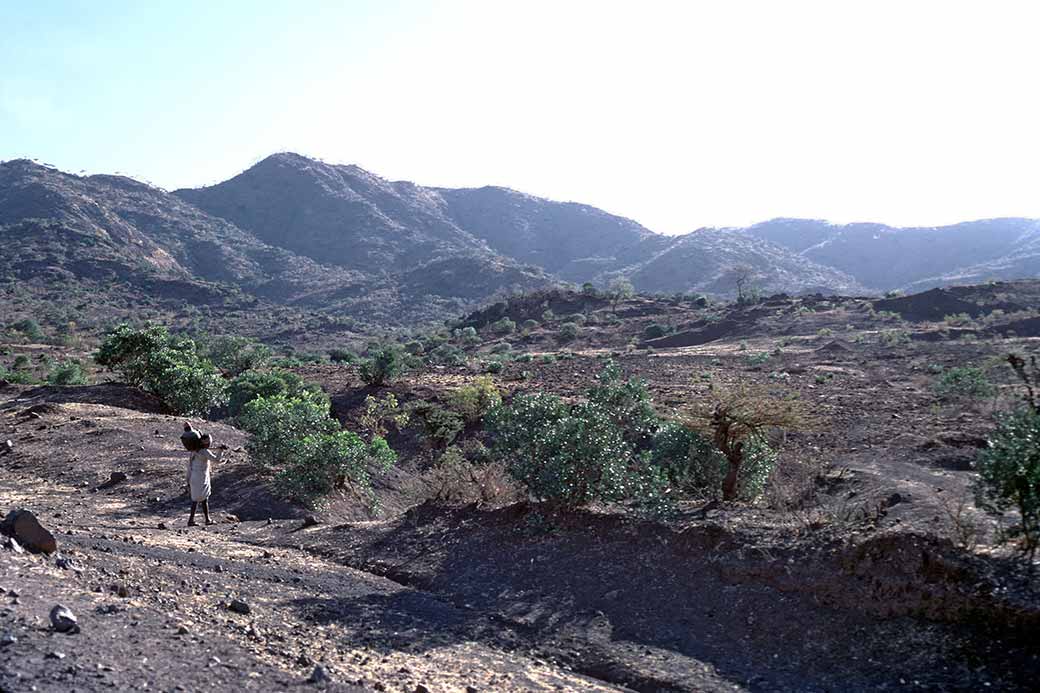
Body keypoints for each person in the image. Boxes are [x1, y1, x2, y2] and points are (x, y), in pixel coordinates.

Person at [186, 433, 221, 527]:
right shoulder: (205, 452)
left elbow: (189, 467)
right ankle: (206, 520)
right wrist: (220, 451)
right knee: (204, 499)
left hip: (194, 477)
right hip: (201, 478)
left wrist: (187, 480)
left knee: (195, 499)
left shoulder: (194, 452)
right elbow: (217, 460)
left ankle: (192, 520)